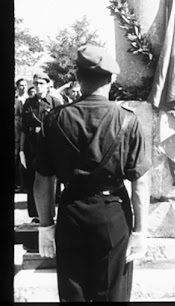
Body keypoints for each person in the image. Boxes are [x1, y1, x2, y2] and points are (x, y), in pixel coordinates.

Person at [33, 45, 150, 302]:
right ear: (111, 79)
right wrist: (140, 231)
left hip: (71, 211)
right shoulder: (128, 121)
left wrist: (45, 225)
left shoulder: (54, 119)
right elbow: (140, 182)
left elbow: (43, 179)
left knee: (72, 295)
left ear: (78, 78)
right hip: (113, 213)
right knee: (112, 294)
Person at [20, 72, 64, 223]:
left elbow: (61, 127)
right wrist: (21, 150)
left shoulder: (55, 102)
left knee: (50, 179)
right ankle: (35, 215)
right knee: (33, 179)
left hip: (49, 144)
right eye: (36, 83)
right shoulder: (28, 103)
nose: (38, 86)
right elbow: (24, 128)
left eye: (41, 83)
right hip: (32, 145)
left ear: (47, 85)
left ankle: (49, 214)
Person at [15, 78, 29, 192]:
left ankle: (24, 183)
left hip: (25, 132)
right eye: (21, 85)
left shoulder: (29, 100)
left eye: (25, 85)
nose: (23, 87)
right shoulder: (16, 100)